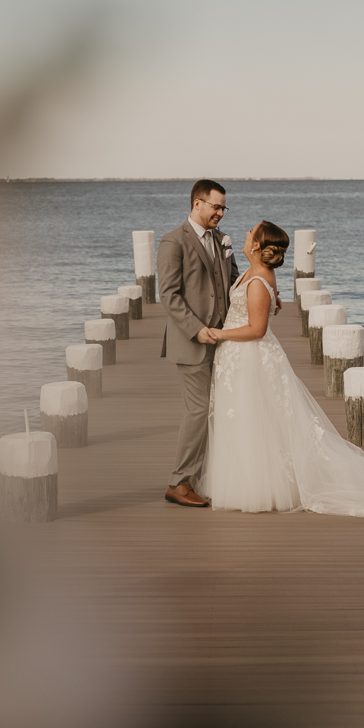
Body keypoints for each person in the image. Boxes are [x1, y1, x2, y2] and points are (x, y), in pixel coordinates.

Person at [198, 221, 364, 515]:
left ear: (256, 245)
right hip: (238, 356)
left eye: (250, 233)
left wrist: (218, 333)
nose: (245, 235)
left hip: (249, 355)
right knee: (246, 418)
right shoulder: (255, 274)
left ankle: (255, 488)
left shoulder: (258, 281)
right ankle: (244, 480)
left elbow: (257, 329)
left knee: (251, 418)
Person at [157, 180, 243, 506]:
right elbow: (168, 294)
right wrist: (196, 329)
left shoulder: (223, 240)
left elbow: (233, 281)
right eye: (215, 206)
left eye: (224, 208)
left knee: (216, 410)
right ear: (197, 204)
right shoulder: (173, 241)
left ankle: (201, 476)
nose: (220, 213)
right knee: (199, 410)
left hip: (222, 339)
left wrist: (263, 290)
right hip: (191, 342)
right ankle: (178, 483)